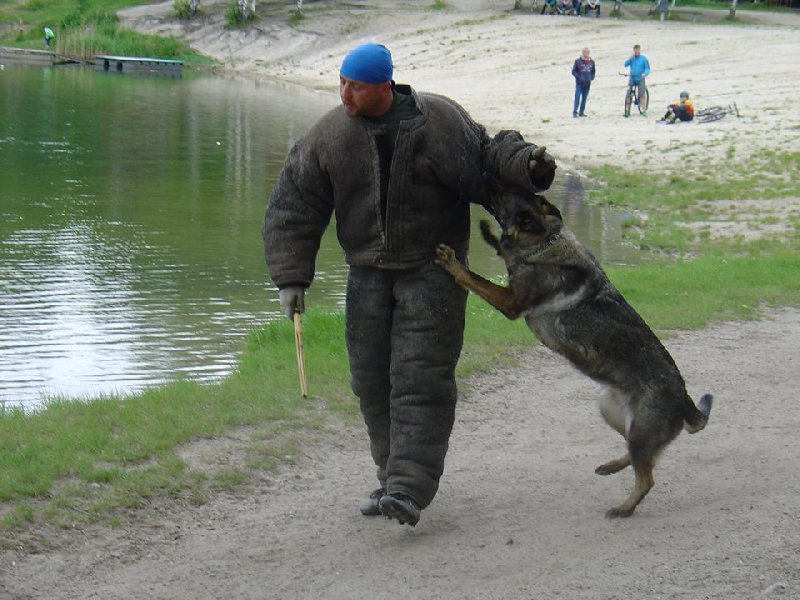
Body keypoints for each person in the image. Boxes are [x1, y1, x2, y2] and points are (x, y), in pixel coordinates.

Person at [262, 42, 556, 527]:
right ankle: (389, 479)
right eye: (341, 82)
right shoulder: (330, 134)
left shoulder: (438, 122)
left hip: (433, 271)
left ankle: (409, 486)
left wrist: (527, 164)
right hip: (366, 273)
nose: (344, 93)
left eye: (354, 86)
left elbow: (486, 162)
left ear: (384, 86)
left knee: (420, 378)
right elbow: (295, 203)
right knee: (371, 379)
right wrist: (291, 276)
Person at [624, 44, 650, 116]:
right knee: (628, 94)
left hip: (640, 78)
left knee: (642, 95)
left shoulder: (644, 59)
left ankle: (643, 110)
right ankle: (627, 111)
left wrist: (645, 73)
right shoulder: (632, 59)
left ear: (640, 50)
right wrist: (630, 58)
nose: (636, 51)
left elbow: (647, 69)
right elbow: (625, 64)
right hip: (632, 79)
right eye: (635, 50)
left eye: (638, 50)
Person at [571, 47, 596, 118]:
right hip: (579, 83)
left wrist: (591, 77)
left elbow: (593, 71)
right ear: (582, 53)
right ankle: (575, 112)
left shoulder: (591, 62)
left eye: (587, 52)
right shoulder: (578, 61)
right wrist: (579, 77)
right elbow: (573, 71)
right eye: (585, 52)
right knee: (577, 97)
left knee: (584, 98)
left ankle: (581, 112)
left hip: (587, 83)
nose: (586, 54)